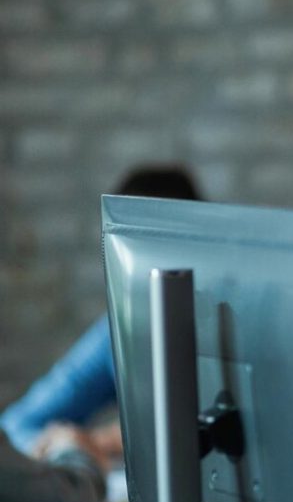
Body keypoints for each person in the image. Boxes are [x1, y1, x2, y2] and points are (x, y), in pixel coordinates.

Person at [0, 165, 202, 461]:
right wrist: (70, 445)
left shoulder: (235, 332)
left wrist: (109, 441)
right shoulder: (120, 330)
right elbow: (16, 425)